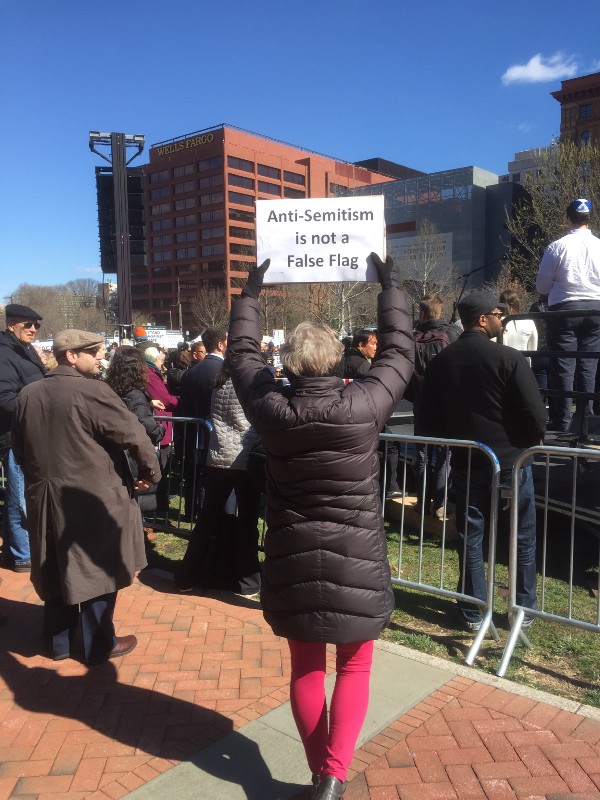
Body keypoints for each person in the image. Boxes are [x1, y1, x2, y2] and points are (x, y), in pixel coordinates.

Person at [228, 254, 414, 800]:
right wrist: (390, 290)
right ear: (339, 360)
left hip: (293, 555)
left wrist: (250, 296)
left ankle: (318, 773)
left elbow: (241, 358)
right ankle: (335, 774)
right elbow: (400, 353)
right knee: (354, 669)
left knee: (306, 667)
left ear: (287, 365)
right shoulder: (363, 405)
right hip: (356, 557)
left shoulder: (270, 408)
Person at [11, 330, 160, 665]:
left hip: (45, 497)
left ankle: (58, 642)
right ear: (71, 356)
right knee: (97, 566)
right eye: (94, 352)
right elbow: (134, 434)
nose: (100, 358)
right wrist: (150, 473)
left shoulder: (28, 394)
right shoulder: (93, 391)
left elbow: (19, 448)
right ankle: (99, 643)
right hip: (91, 497)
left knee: (55, 564)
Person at [420, 290, 546, 632]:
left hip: (467, 460)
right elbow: (536, 415)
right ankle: (522, 609)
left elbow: (427, 417)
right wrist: (526, 441)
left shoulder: (441, 362)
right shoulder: (509, 358)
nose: (502, 318)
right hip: (511, 462)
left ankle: (474, 610)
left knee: (471, 535)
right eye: (497, 313)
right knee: (521, 534)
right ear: (482, 319)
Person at [176, 351, 262, 596]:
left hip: (218, 457)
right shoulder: (249, 385)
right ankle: (249, 582)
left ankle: (186, 575)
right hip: (244, 460)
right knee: (247, 522)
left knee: (206, 520)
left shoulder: (219, 383)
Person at [536, 199, 600, 432]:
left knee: (564, 364)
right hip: (596, 309)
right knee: (588, 365)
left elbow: (542, 287)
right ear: (588, 219)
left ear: (568, 218)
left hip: (565, 310)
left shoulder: (557, 246)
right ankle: (586, 422)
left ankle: (563, 422)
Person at [0, 303, 46, 572]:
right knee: (19, 498)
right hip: (14, 435)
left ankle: (14, 550)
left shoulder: (24, 350)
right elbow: (5, 398)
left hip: (28, 433)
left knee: (21, 495)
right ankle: (22, 555)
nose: (33, 329)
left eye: (36, 325)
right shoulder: (5, 352)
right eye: (27, 324)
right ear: (11, 324)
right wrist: (40, 410)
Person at [105, 346, 166, 528]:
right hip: (132, 456)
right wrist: (159, 430)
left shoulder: (110, 389)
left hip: (117, 454)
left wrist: (148, 401)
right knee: (132, 503)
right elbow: (148, 427)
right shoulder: (135, 396)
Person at [409, 293, 458, 518]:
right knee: (444, 456)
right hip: (447, 407)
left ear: (421, 313)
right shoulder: (451, 335)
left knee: (423, 456)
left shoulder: (412, 339)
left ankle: (421, 502)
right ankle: (440, 504)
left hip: (421, 405)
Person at [178, 328, 228, 521]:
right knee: (214, 478)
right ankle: (213, 516)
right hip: (218, 432)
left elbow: (184, 405)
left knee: (196, 474)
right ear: (220, 344)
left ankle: (192, 512)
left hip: (195, 430)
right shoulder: (224, 371)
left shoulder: (190, 373)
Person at [144, 346, 179, 512]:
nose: (162, 364)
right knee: (160, 465)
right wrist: (180, 401)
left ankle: (160, 500)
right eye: (161, 361)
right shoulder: (151, 375)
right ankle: (159, 503)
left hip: (161, 422)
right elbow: (165, 399)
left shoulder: (151, 373)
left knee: (162, 463)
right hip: (159, 424)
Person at [499, 289, 538, 363]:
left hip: (503, 362)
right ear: (517, 303)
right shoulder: (529, 322)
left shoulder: (497, 322)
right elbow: (533, 350)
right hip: (523, 362)